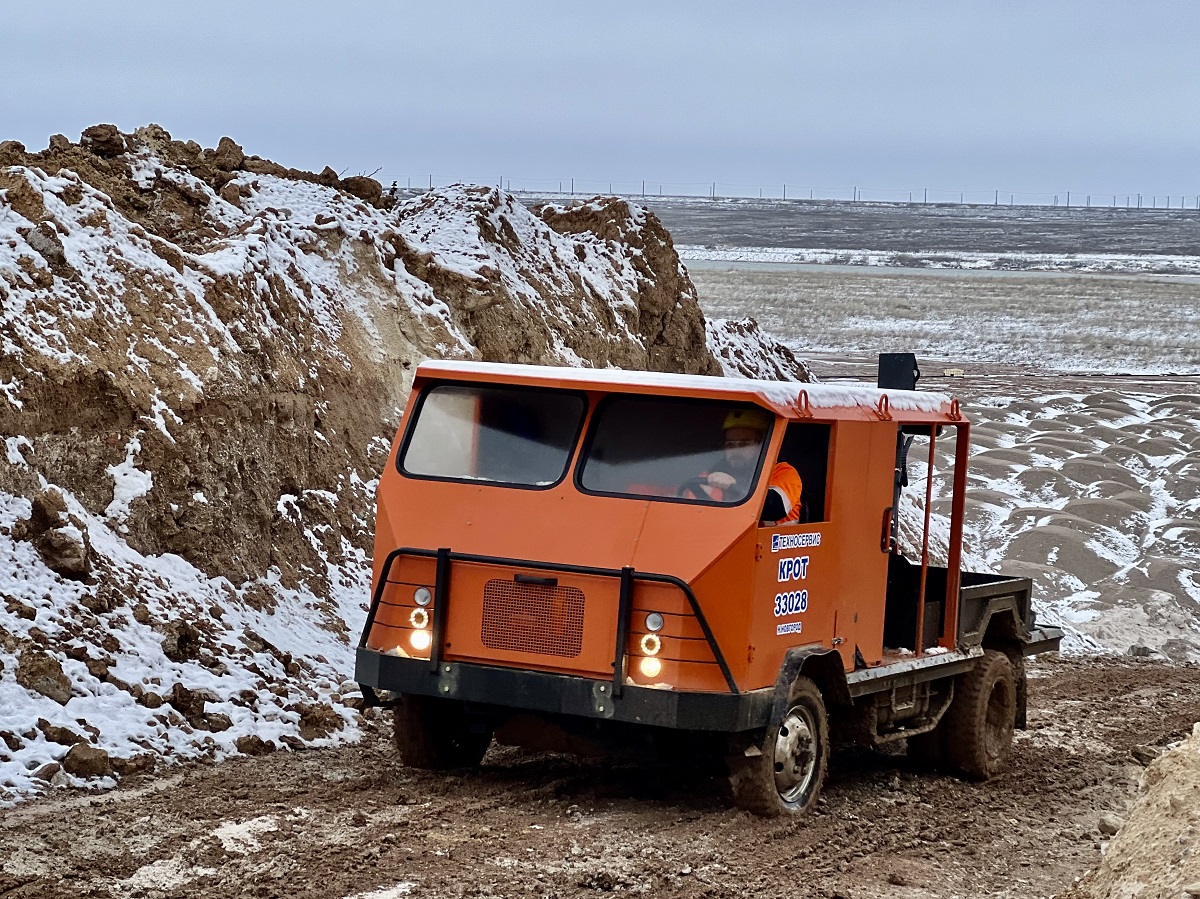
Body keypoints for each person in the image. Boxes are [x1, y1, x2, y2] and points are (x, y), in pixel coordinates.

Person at [681, 408, 803, 525]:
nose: (736, 450)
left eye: (744, 444)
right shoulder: (709, 476)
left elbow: (775, 507)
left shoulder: (783, 472)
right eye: (730, 444)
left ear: (763, 445)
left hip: (774, 544)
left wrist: (734, 486)